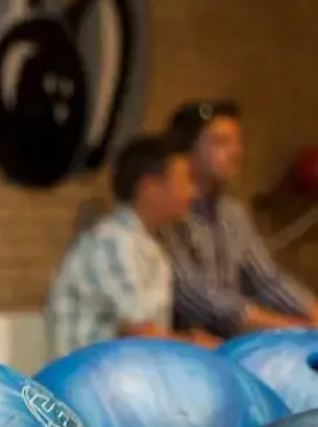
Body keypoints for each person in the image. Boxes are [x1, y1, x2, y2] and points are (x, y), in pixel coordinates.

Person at [162, 99, 318, 339]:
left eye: (237, 142)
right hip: (184, 349)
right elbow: (199, 299)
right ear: (188, 152)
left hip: (231, 344)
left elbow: (267, 280)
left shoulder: (233, 213)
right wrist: (292, 328)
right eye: (221, 142)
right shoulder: (169, 213)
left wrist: (315, 311)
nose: (236, 151)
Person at [44, 132, 213, 359]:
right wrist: (197, 344)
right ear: (149, 188)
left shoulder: (148, 243)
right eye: (185, 181)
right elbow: (142, 333)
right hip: (88, 383)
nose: (193, 192)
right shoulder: (112, 240)